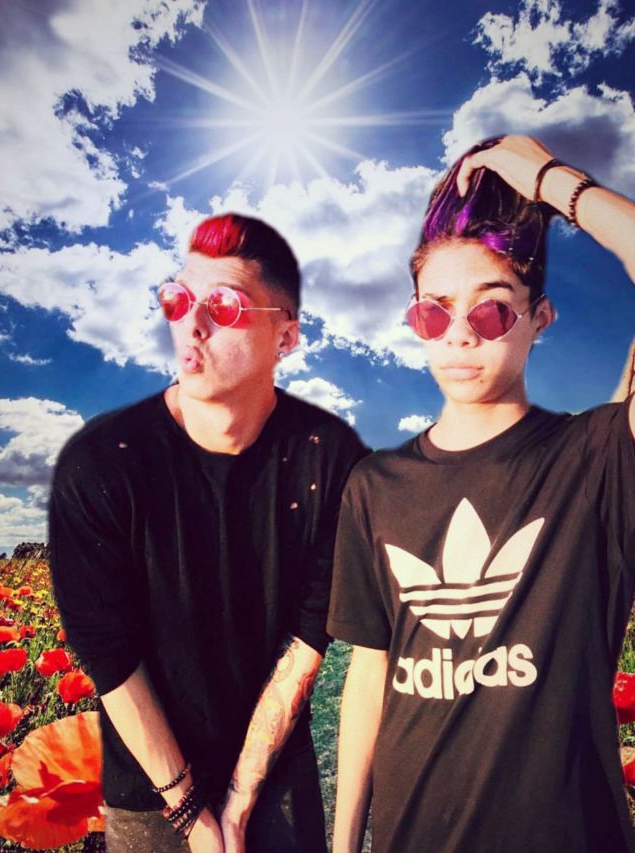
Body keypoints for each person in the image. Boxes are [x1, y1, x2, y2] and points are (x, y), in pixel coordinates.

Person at [327, 135, 635, 852]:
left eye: (492, 310)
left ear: (540, 318)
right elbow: (370, 676)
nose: (459, 334)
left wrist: (549, 179)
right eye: (434, 312)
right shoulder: (374, 485)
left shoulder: (598, 458)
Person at [49, 213, 367, 853]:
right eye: (178, 299)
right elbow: (109, 653)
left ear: (286, 335)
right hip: (150, 789)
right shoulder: (102, 461)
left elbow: (309, 635)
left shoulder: (328, 457)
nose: (190, 324)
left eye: (222, 305)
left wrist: (243, 798)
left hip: (275, 779)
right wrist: (192, 813)